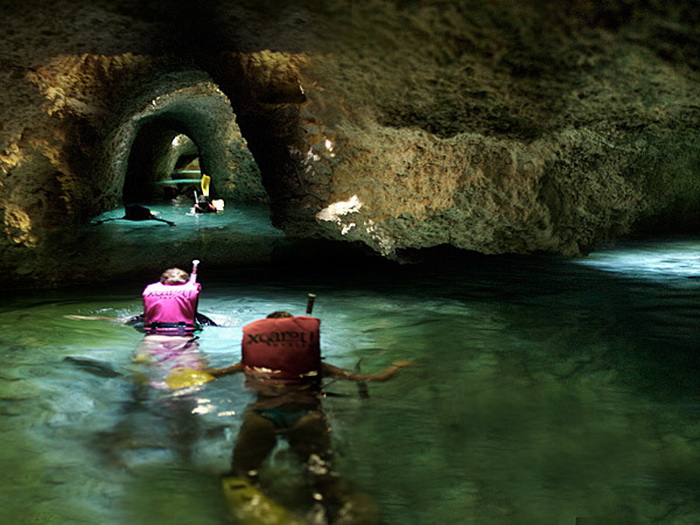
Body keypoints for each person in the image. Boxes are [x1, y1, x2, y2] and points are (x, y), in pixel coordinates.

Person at [202, 311, 416, 525]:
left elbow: (213, 374)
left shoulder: (248, 363)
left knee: (242, 473)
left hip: (262, 416)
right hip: (306, 417)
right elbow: (373, 379)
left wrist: (197, 365)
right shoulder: (315, 366)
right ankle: (349, 509)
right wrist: (396, 367)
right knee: (324, 477)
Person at [134, 267, 209, 389]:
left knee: (140, 367)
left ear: (162, 280)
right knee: (195, 376)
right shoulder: (192, 288)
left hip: (152, 339)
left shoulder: (150, 289)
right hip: (183, 340)